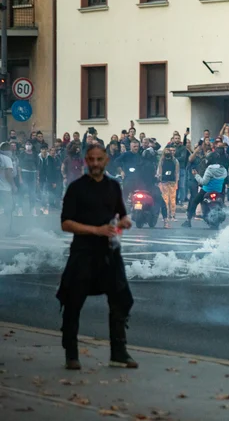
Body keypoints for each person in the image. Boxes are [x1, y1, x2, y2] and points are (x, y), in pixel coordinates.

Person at [57, 145, 137, 370]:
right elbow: (65, 223)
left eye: (99, 159)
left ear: (106, 161)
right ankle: (71, 353)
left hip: (109, 253)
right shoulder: (76, 188)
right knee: (73, 302)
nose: (95, 163)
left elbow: (122, 215)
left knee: (120, 299)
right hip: (83, 252)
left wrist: (124, 223)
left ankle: (118, 353)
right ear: (85, 161)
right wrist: (96, 230)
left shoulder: (113, 186)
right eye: (91, 159)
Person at [182, 152, 227, 228]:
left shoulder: (209, 169)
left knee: (194, 202)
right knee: (222, 204)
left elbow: (203, 182)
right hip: (218, 191)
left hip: (206, 190)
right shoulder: (223, 169)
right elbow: (225, 178)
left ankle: (188, 220)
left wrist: (196, 175)